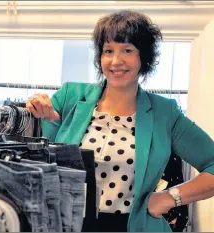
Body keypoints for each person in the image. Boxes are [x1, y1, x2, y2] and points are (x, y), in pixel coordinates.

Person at [26, 10, 214, 232]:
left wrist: (170, 197)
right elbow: (32, 153)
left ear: (143, 57)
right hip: (69, 225)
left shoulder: (165, 113)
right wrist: (34, 108)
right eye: (108, 51)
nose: (116, 61)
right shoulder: (70, 97)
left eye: (127, 50)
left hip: (134, 226)